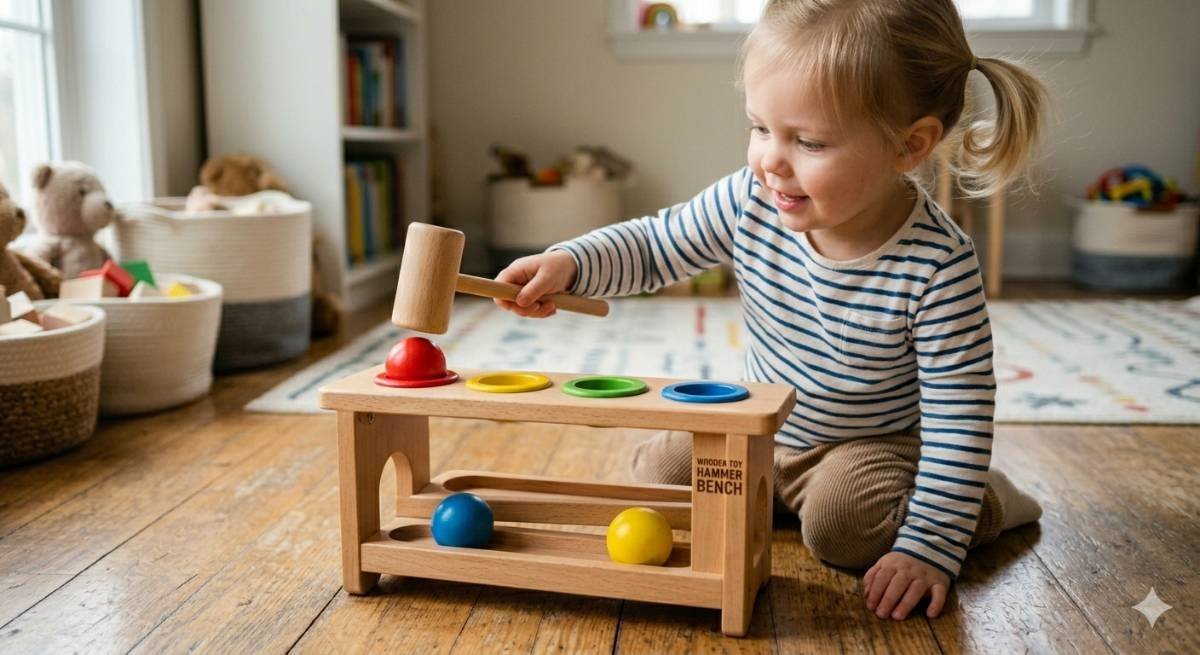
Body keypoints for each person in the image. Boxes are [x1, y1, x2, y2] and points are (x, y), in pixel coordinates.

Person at [493, 0, 1046, 621]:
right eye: (760, 128)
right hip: (760, 426)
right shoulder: (751, 199)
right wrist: (571, 263)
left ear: (909, 146)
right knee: (657, 472)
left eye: (808, 141)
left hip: (867, 449)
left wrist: (931, 544)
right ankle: (772, 495)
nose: (770, 162)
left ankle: (987, 503)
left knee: (842, 529)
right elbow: (655, 246)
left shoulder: (938, 267)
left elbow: (959, 414)